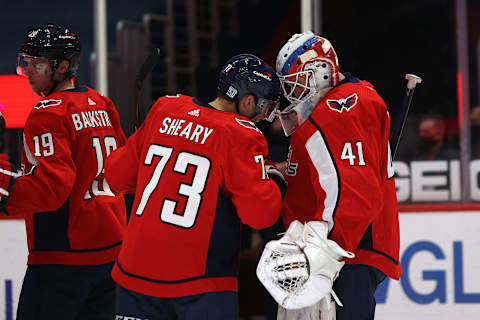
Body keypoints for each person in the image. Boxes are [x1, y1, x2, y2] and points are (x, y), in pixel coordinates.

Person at [104, 53, 286, 320]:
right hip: (200, 286)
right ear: (248, 101)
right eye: (265, 107)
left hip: (134, 277)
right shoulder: (241, 133)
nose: (263, 116)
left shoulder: (165, 108)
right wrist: (275, 179)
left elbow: (117, 176)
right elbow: (260, 214)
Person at [259, 31, 401, 319]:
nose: (292, 95)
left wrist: (328, 252)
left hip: (345, 254)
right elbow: (328, 172)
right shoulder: (334, 106)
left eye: (296, 85)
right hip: (334, 249)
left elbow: (354, 192)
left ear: (321, 72)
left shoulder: (342, 107)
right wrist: (281, 172)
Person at [0, 24, 127, 319]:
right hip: (111, 253)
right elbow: (122, 171)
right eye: (26, 62)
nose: (28, 71)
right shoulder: (101, 102)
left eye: (38, 64)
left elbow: (51, 189)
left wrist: (5, 187)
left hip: (63, 260)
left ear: (63, 67)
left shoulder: (48, 113)